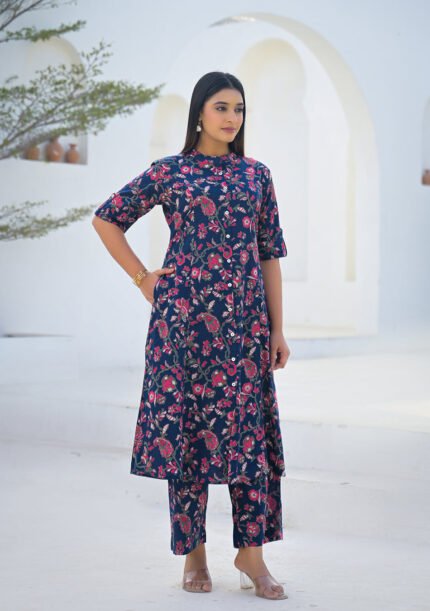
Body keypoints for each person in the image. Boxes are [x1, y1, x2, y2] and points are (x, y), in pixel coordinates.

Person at [92, 71, 290, 600]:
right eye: (221, 107)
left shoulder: (256, 175)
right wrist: (143, 278)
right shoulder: (171, 172)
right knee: (187, 438)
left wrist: (277, 328)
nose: (231, 118)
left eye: (239, 109)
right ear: (199, 112)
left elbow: (269, 255)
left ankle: (251, 554)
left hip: (244, 329)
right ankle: (193, 553)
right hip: (182, 326)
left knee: (248, 438)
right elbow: (107, 219)